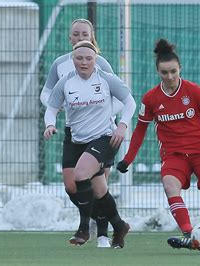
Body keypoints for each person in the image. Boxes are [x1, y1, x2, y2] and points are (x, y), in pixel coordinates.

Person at [116, 39, 200, 255]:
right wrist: (128, 159)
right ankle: (188, 234)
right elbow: (140, 130)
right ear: (157, 71)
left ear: (180, 69)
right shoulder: (150, 98)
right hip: (174, 154)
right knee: (170, 185)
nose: (169, 77)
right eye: (164, 73)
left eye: (173, 72)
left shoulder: (194, 91)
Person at [44, 40, 135, 249]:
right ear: (72, 59)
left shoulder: (106, 79)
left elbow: (129, 102)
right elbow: (51, 107)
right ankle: (119, 225)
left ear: (96, 59)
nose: (84, 62)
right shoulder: (66, 81)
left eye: (88, 58)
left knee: (80, 174)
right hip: (77, 141)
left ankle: (84, 228)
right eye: (79, 58)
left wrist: (122, 126)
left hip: (104, 138)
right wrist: (50, 124)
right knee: (99, 190)